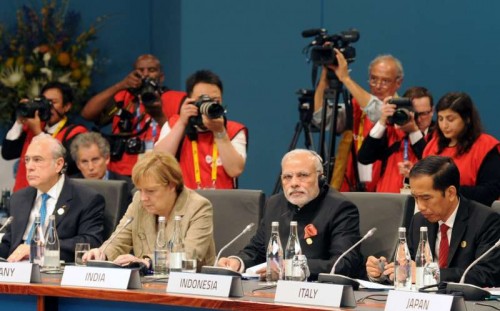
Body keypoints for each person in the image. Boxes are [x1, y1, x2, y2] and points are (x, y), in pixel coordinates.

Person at [217, 149, 363, 280]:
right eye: (287, 177)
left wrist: (294, 267)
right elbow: (257, 249)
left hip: (317, 293)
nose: (294, 183)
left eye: (303, 175)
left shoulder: (340, 208)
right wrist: (237, 261)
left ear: (321, 178)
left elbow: (344, 263)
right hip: (274, 289)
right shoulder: (274, 204)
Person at [366, 156, 500, 287]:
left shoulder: (485, 221)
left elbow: (486, 275)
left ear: (451, 193)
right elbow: (409, 267)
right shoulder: (420, 220)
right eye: (415, 198)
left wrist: (429, 273)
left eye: (426, 198)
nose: (420, 206)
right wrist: (383, 272)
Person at [82, 152, 216, 270]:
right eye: (140, 190)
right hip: (147, 286)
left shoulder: (198, 207)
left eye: (150, 191)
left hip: (189, 289)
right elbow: (119, 240)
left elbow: (189, 255)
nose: (143, 198)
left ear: (172, 185)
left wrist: (147, 261)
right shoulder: (138, 201)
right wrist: (102, 254)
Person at [0, 134, 105, 262]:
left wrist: (40, 249)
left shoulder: (86, 199)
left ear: (59, 164)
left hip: (55, 271)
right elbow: (8, 244)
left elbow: (90, 242)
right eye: (27, 160)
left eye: (37, 160)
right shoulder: (19, 198)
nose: (29, 167)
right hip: (16, 271)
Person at [80, 54, 186, 177]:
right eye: (140, 70)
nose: (145, 74)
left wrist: (158, 114)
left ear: (161, 77)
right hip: (118, 172)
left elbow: (182, 140)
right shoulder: (124, 97)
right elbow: (87, 114)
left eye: (151, 70)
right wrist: (121, 85)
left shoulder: (175, 98)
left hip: (155, 172)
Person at [314, 51, 404, 192]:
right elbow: (322, 118)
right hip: (353, 184)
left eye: (385, 81)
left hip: (385, 186)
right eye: (373, 79)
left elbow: (376, 112)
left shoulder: (401, 111)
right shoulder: (356, 106)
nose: (378, 85)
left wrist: (345, 78)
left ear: (398, 83)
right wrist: (325, 75)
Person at [154, 70, 247, 189]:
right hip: (184, 203)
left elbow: (235, 170)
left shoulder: (234, 130)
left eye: (216, 100)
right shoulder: (174, 124)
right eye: (203, 99)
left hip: (223, 203)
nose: (209, 104)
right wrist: (182, 123)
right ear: (189, 100)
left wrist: (220, 132)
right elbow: (158, 161)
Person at [2, 82, 87, 192]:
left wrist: (38, 132)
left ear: (66, 106)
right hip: (23, 195)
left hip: (53, 197)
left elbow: (65, 165)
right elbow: (8, 153)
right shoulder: (32, 126)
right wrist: (19, 121)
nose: (48, 106)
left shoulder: (76, 132)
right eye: (45, 101)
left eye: (53, 102)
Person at [422, 92, 500, 206]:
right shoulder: (432, 145)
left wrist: (448, 191)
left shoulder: (486, 146)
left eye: (450, 119)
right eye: (440, 119)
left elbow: (489, 192)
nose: (444, 125)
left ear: (467, 119)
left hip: (473, 214)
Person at [358, 87, 434, 193]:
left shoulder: (438, 136)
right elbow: (364, 158)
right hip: (387, 200)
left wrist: (414, 132)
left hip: (422, 202)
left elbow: (433, 166)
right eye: (414, 113)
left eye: (423, 114)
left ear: (432, 111)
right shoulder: (390, 132)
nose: (418, 119)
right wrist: (382, 120)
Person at [69, 132, 134, 194]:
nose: (91, 167)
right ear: (78, 165)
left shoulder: (127, 187)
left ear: (107, 158)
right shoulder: (69, 186)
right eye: (84, 162)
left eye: (95, 160)